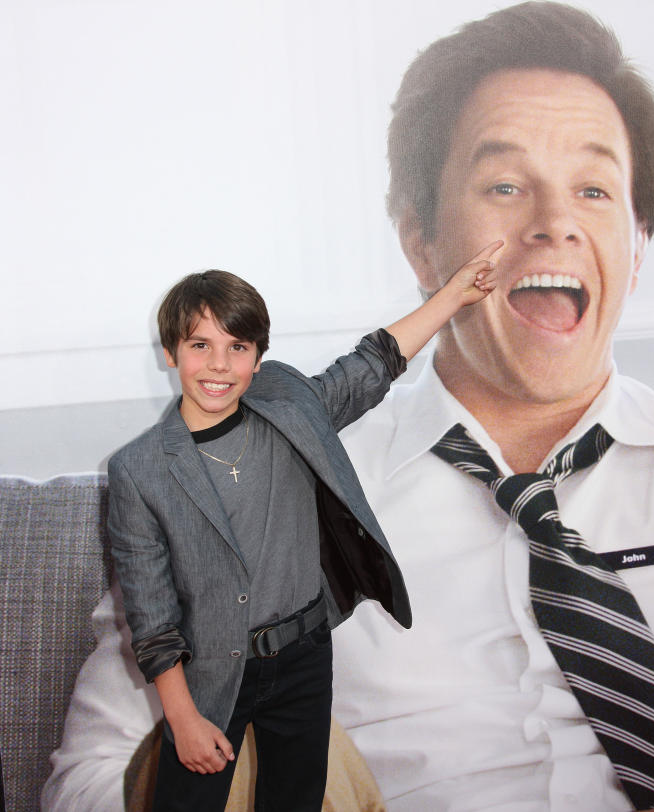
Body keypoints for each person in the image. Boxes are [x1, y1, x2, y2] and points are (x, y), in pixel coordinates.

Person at [45, 3, 654, 811]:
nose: (553, 221)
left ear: (636, 246)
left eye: (593, 189)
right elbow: (90, 777)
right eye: (505, 186)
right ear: (422, 243)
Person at [84, 248, 499, 812]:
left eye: (238, 348)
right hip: (211, 672)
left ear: (257, 359)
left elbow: (371, 365)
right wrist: (182, 720)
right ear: (170, 353)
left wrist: (453, 295)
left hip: (304, 656)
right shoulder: (140, 470)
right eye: (199, 345)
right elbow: (153, 621)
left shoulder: (290, 409)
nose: (218, 365)